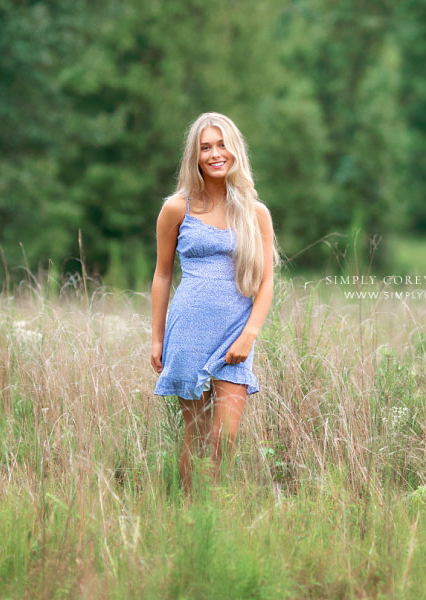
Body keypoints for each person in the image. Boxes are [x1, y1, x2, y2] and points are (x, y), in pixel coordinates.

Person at [151, 112, 278, 494]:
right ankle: (192, 513)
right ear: (195, 156)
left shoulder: (256, 213)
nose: (214, 154)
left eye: (221, 145)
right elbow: (162, 275)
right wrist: (157, 339)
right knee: (195, 433)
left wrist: (250, 335)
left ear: (234, 150)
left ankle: (213, 507)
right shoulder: (177, 208)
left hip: (236, 333)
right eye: (205, 147)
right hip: (188, 330)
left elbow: (267, 281)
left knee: (225, 436)